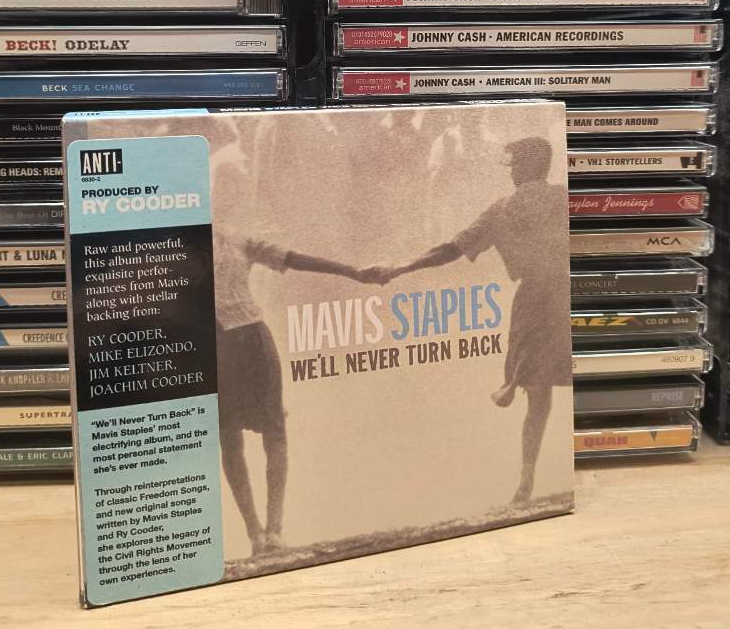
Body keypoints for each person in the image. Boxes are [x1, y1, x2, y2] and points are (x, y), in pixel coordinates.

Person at [365, 137, 571, 506]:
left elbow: (451, 250)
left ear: (526, 166)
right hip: (570, 291)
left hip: (535, 300)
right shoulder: (563, 198)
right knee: (555, 381)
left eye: (513, 164)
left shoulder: (502, 209)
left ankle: (526, 472)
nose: (510, 171)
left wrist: (401, 267)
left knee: (538, 393)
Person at [214, 232, 374, 556]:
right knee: (235, 436)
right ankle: (259, 533)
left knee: (264, 431)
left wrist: (353, 272)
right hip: (225, 345)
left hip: (247, 341)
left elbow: (294, 259)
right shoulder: (187, 249)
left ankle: (271, 531)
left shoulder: (234, 239)